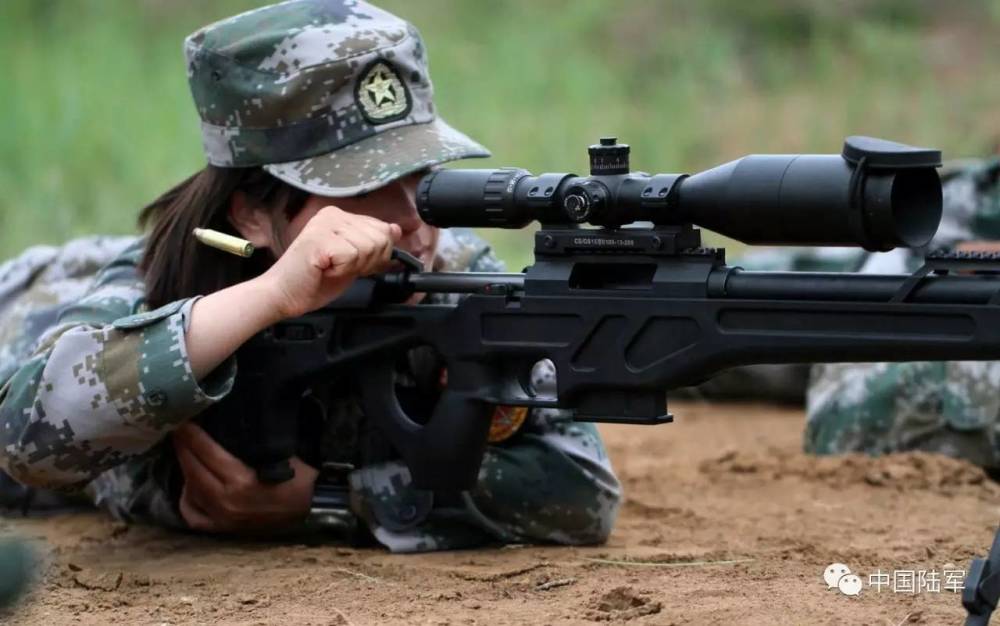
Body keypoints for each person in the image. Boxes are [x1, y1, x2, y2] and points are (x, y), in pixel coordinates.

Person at [0, 0, 620, 552]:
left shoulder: (451, 272)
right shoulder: (163, 278)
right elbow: (27, 436)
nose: (413, 220)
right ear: (252, 214)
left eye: (422, 172)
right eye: (363, 186)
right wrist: (271, 296)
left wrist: (332, 499)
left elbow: (580, 486)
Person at [683, 155, 1000, 476]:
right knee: (703, 307)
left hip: (918, 311)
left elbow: (845, 418)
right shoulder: (972, 197)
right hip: (895, 265)